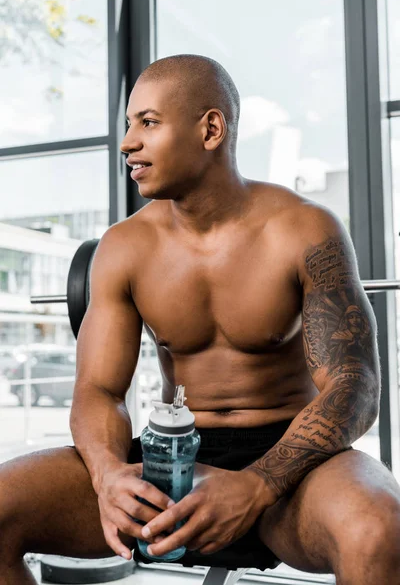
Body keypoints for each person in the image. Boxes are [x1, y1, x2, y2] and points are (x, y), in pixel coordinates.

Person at [1, 54, 400, 585]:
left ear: (211, 128)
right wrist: (109, 477)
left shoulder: (304, 229)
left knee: (379, 530)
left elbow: (356, 385)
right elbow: (98, 389)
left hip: (293, 464)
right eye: (128, 125)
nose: (127, 143)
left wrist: (257, 484)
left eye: (148, 122)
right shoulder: (125, 248)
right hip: (172, 458)